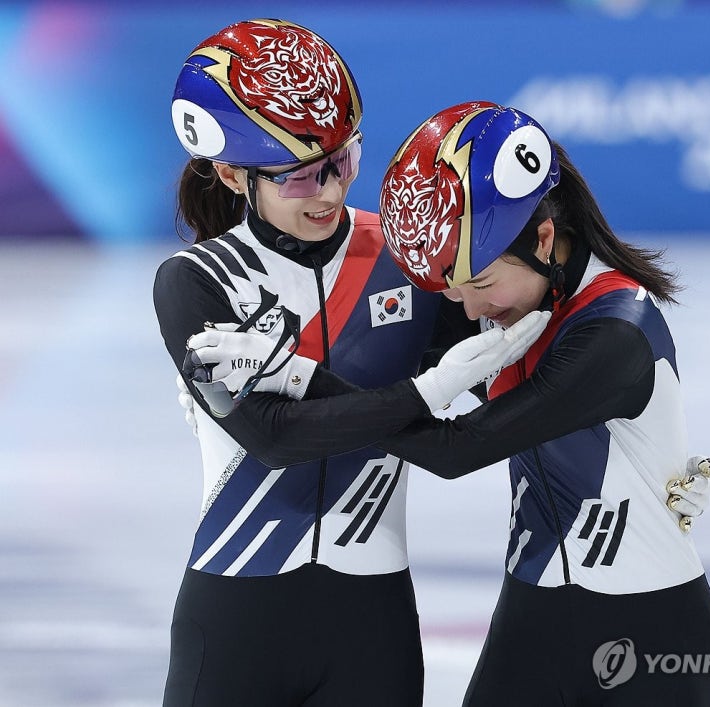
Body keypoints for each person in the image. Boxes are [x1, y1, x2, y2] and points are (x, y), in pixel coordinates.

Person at [185, 101, 710, 705]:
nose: (467, 312)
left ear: (545, 237)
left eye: (480, 285)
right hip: (530, 618)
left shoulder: (613, 333)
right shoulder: (517, 301)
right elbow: (380, 378)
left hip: (648, 628)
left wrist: (294, 374)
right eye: (452, 290)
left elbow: (456, 448)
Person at [154, 21, 550, 707]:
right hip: (235, 617)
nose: (330, 192)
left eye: (342, 161)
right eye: (301, 176)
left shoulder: (407, 259)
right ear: (230, 173)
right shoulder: (195, 280)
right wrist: (427, 391)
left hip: (371, 624)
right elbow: (274, 437)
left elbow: (516, 404)